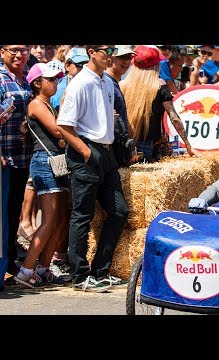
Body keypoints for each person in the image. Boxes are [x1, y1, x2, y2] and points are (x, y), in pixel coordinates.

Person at [57, 45, 129, 292]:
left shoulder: (106, 82)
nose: (110, 53)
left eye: (112, 48)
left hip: (105, 152)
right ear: (91, 51)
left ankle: (100, 270)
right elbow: (64, 125)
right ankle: (80, 275)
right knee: (82, 215)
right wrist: (86, 151)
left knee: (119, 211)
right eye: (106, 49)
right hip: (87, 150)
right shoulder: (80, 83)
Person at [13, 62, 69, 288]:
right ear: (37, 83)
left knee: (59, 219)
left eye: (57, 79)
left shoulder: (47, 104)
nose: (56, 82)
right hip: (45, 164)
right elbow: (58, 131)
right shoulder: (36, 104)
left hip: (54, 163)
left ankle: (43, 269)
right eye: (51, 79)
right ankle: (26, 270)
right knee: (49, 220)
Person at [120, 45, 202, 162]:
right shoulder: (159, 85)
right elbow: (174, 118)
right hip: (150, 144)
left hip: (128, 144)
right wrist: (188, 144)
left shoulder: (122, 85)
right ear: (156, 65)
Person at [0, 45, 33, 278]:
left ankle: (9, 259)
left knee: (14, 210)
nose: (19, 55)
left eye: (23, 50)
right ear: (2, 52)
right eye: (13, 50)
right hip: (4, 155)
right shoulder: (1, 79)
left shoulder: (28, 79)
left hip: (23, 155)